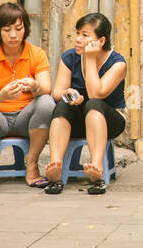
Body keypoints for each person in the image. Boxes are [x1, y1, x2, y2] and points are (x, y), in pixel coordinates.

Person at [0, 3, 56, 192]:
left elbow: (47, 88)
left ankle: (31, 166)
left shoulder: (36, 54)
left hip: (26, 119)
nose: (13, 35)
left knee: (47, 102)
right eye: (7, 30)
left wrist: (34, 86)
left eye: (18, 28)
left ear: (26, 29)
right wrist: (2, 95)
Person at [43, 13, 127, 195]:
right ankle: (55, 168)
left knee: (93, 104)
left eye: (85, 35)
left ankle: (96, 170)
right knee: (62, 106)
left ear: (101, 40)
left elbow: (97, 93)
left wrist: (90, 59)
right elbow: (57, 93)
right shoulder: (70, 58)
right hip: (78, 122)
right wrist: (68, 94)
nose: (78, 39)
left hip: (109, 121)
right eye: (77, 33)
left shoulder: (118, 63)